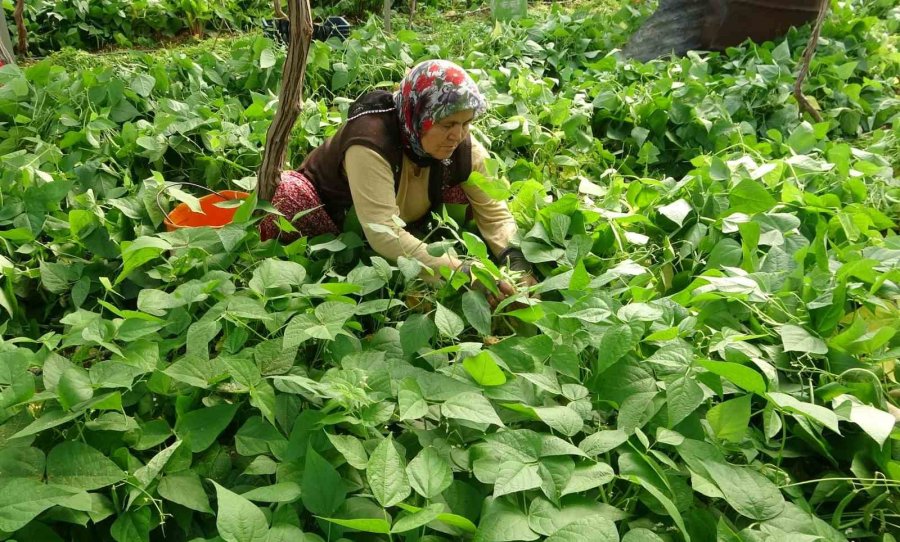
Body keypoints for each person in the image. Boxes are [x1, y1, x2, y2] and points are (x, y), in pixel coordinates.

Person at [260, 59, 535, 295]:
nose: (458, 135)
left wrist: (517, 261)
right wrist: (461, 271)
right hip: (337, 213)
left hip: (402, 216)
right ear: (420, 116)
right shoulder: (370, 141)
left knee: (467, 186)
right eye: (447, 124)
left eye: (466, 123)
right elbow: (383, 231)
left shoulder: (462, 145)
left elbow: (495, 213)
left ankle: (415, 247)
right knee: (284, 199)